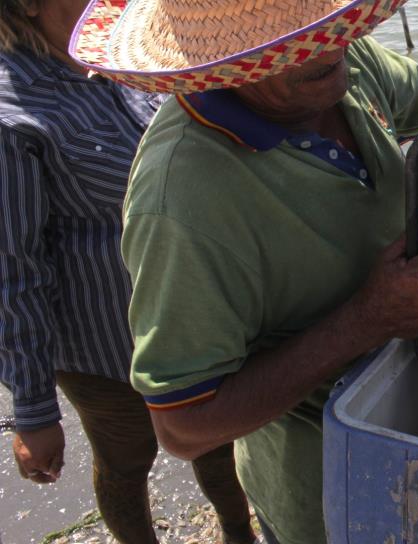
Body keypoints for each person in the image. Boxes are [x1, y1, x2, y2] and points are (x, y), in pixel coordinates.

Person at [70, 1, 418, 542]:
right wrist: (367, 319)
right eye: (293, 42)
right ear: (222, 67)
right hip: (327, 484)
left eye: (328, 25)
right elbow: (184, 425)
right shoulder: (183, 202)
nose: (330, 46)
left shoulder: (339, 63)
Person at [0, 1, 256, 543]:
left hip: (200, 315)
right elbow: (14, 270)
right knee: (124, 461)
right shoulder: (11, 111)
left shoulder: (128, 49)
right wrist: (33, 407)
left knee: (220, 444)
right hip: (106, 346)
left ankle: (240, 533)